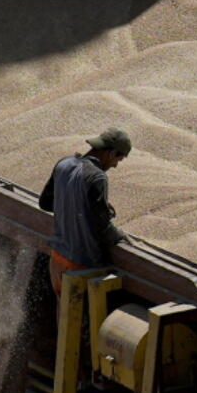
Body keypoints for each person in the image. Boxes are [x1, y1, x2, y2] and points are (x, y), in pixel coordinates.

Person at [38, 127, 132, 297]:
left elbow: (45, 203)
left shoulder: (64, 164)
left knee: (64, 314)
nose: (115, 165)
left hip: (57, 258)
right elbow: (101, 226)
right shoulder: (97, 177)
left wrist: (77, 204)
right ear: (110, 153)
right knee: (81, 321)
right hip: (80, 265)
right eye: (118, 159)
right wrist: (120, 236)